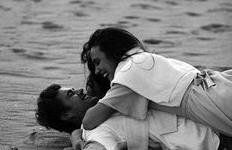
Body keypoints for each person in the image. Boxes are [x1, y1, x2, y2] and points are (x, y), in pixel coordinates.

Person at [8, 84, 230, 150]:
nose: (80, 91)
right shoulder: (99, 130)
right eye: (72, 95)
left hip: (215, 109)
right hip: (219, 138)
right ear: (66, 115)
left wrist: (75, 135)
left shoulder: (106, 106)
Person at [80, 27, 232, 137]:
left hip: (207, 99)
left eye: (97, 62)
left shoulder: (128, 72)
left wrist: (76, 133)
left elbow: (89, 121)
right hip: (218, 84)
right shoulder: (142, 59)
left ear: (112, 51)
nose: (98, 70)